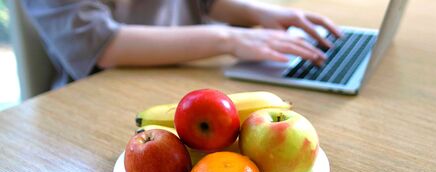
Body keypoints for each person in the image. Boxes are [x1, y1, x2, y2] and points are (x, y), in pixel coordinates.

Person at [22, 0, 342, 89]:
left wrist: (257, 12)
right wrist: (230, 38)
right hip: (103, 91)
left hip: (187, 71)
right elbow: (105, 46)